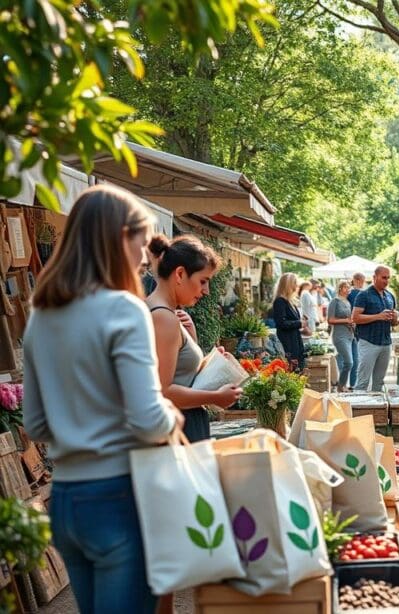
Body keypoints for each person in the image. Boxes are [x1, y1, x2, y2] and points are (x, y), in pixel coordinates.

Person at [22, 185, 183, 613]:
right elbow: (148, 418)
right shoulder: (124, 309)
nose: (146, 257)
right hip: (120, 495)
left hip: (67, 501)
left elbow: (35, 424)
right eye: (142, 241)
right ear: (118, 238)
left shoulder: (42, 314)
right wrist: (171, 419)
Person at [146, 235, 242, 443]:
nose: (206, 291)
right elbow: (162, 392)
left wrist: (210, 363)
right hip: (179, 430)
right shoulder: (164, 317)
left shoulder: (163, 313)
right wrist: (215, 397)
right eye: (203, 281)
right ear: (180, 274)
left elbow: (175, 373)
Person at [352, 266, 399, 391]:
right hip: (368, 342)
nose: (386, 281)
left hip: (386, 343)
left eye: (388, 278)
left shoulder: (390, 296)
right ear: (374, 277)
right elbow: (355, 318)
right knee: (363, 382)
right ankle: (358, 410)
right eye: (384, 277)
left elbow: (394, 323)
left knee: (379, 383)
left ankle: (378, 411)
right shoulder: (364, 295)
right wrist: (378, 316)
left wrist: (395, 318)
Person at [273, 273, 311, 371]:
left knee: (298, 369)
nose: (297, 286)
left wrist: (302, 327)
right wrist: (299, 323)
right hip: (288, 342)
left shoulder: (290, 301)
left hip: (295, 340)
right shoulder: (280, 301)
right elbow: (281, 323)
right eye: (295, 283)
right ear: (288, 284)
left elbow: (291, 323)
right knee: (293, 370)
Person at [327, 280, 355, 391]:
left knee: (346, 362)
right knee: (349, 362)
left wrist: (352, 323)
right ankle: (340, 386)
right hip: (339, 336)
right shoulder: (335, 301)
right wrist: (346, 321)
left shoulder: (347, 302)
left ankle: (341, 385)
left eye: (349, 287)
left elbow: (349, 319)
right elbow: (330, 320)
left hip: (349, 335)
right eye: (345, 287)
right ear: (340, 288)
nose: (348, 289)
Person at [347, 272, 366, 388]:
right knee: (358, 357)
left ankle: (353, 383)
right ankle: (355, 383)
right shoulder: (359, 293)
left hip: (350, 327)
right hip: (359, 328)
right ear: (359, 281)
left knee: (354, 357)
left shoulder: (348, 294)